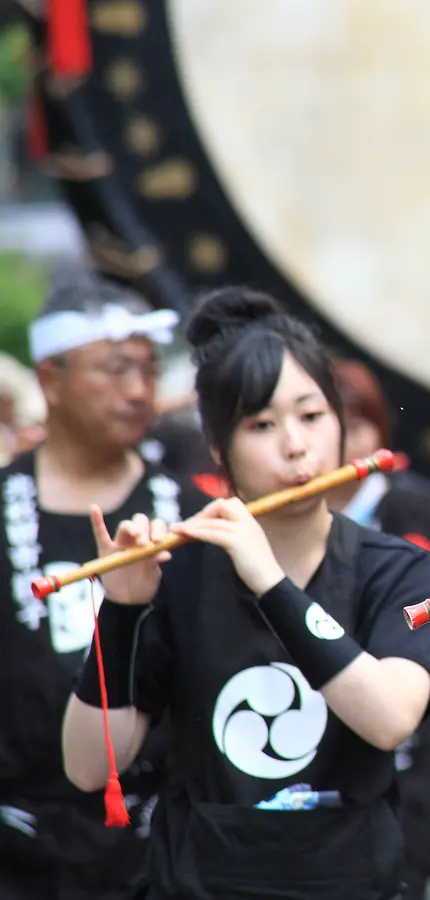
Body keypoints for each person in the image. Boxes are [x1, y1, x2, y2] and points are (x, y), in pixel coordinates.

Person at [60, 288, 430, 899]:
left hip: (349, 879)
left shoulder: (393, 567)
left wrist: (270, 580)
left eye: (312, 416)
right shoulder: (179, 573)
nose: (296, 445)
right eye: (262, 425)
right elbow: (87, 766)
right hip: (203, 880)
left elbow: (391, 720)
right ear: (218, 447)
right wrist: (123, 609)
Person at [0, 271, 210, 899]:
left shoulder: (194, 513)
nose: (139, 389)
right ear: (50, 380)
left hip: (164, 837)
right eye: (114, 369)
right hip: (18, 838)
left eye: (149, 370)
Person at [330, 357, 430, 900]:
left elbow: (413, 608)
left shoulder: (407, 507)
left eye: (357, 426)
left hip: (401, 737)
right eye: (327, 425)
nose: (343, 444)